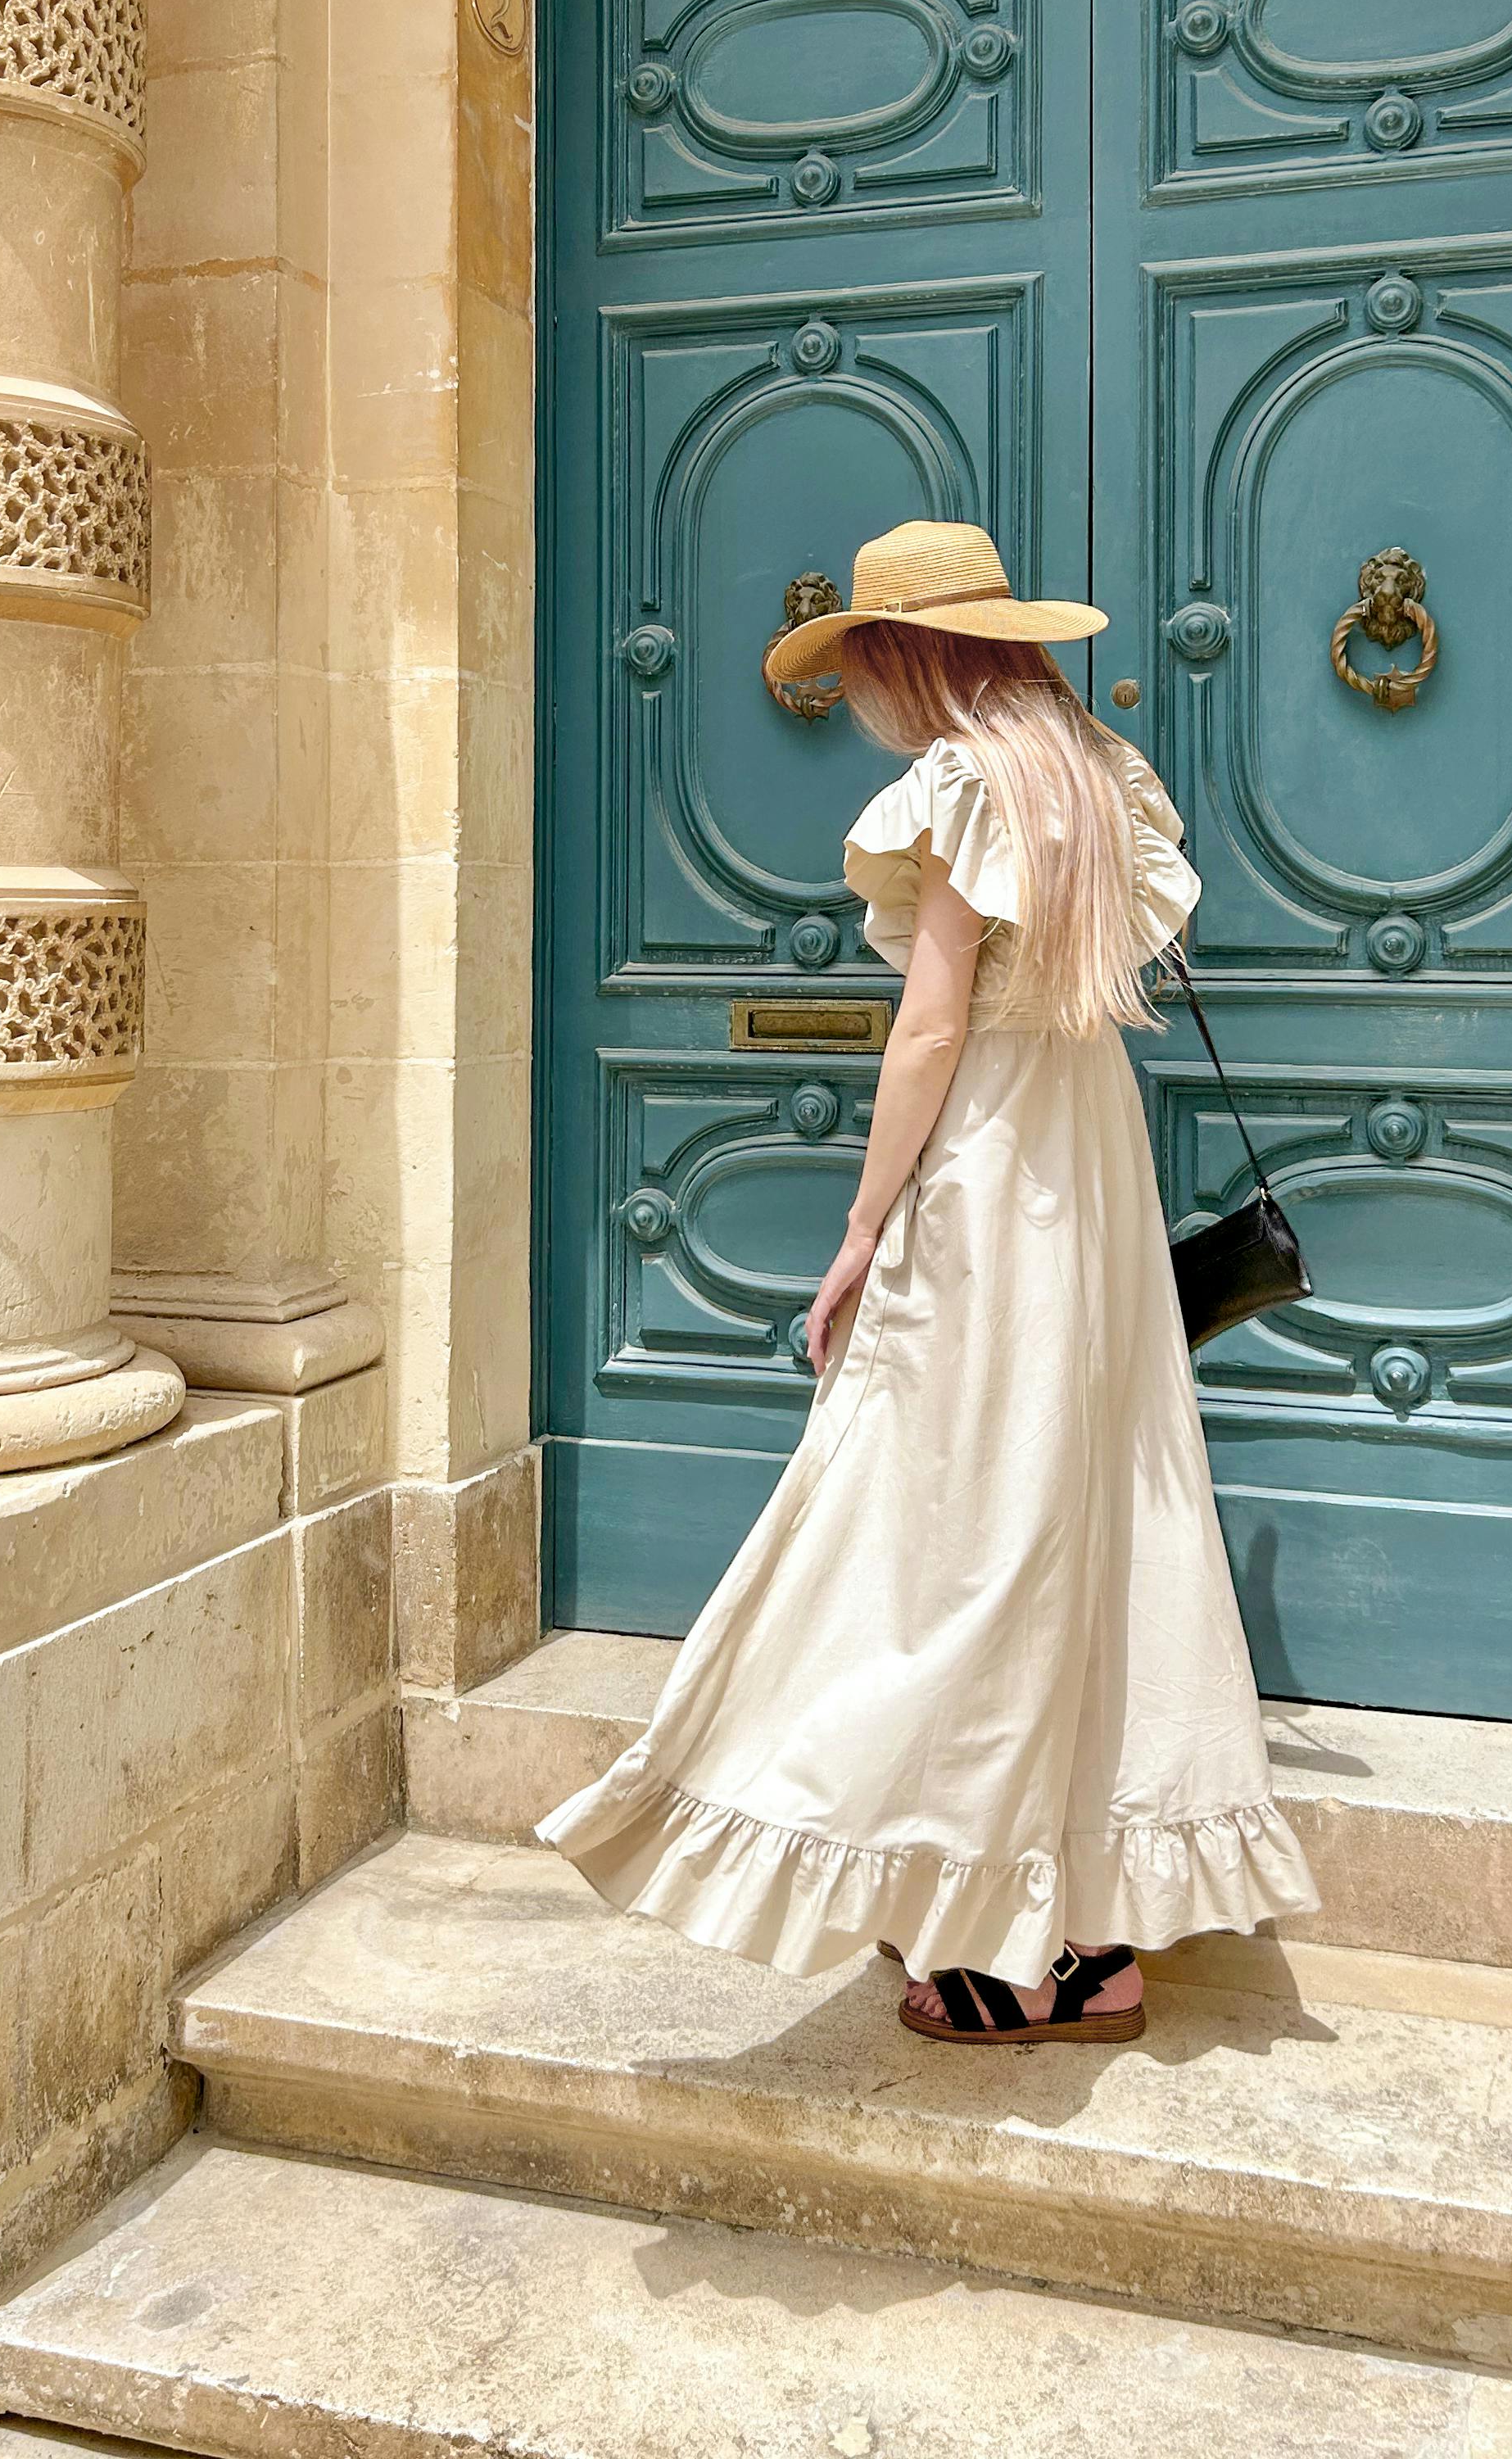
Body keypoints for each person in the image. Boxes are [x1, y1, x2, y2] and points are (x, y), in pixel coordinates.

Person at [540, 519, 1317, 2042]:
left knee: (959, 1537)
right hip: (1087, 1170)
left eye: (863, 670)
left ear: (910, 657)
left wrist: (857, 1229)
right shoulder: (1097, 775)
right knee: (1080, 1516)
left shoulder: (964, 786)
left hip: (987, 1184)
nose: (861, 702)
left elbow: (930, 1027)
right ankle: (1082, 1932)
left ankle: (1005, 1945)